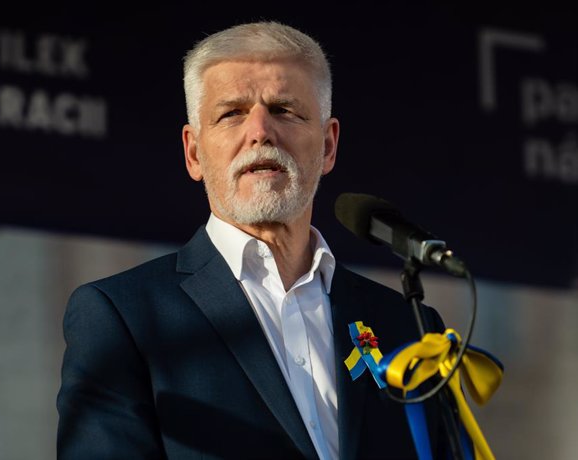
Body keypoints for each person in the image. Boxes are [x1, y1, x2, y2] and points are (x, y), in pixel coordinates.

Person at [57, 22, 442, 459]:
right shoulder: (122, 318)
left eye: (284, 110)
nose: (260, 131)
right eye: (232, 113)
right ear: (194, 153)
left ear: (329, 145)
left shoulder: (409, 327)